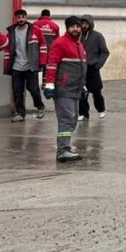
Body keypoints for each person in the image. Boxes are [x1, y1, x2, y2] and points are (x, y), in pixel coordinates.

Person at [43, 16, 87, 162]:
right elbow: (51, 64)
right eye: (72, 26)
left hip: (75, 89)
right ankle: (63, 150)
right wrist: (49, 84)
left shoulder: (79, 45)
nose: (76, 29)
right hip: (64, 89)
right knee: (66, 119)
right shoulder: (60, 43)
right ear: (67, 28)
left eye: (78, 26)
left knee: (73, 120)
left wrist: (83, 86)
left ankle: (65, 148)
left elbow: (81, 68)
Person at [4, 9, 46, 121]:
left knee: (33, 89)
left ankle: (40, 106)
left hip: (30, 65)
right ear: (16, 18)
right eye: (18, 17)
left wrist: (42, 62)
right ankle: (20, 113)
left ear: (26, 17)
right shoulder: (11, 32)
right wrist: (7, 65)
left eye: (23, 17)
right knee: (17, 90)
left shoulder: (35, 30)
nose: (21, 19)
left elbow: (43, 45)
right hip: (16, 67)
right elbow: (7, 50)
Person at [76, 15, 109, 120]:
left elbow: (104, 52)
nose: (84, 26)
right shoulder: (78, 36)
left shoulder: (98, 36)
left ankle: (101, 109)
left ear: (90, 24)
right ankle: (83, 113)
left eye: (86, 23)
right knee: (81, 92)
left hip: (93, 68)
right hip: (80, 68)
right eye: (82, 23)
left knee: (96, 91)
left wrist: (98, 64)